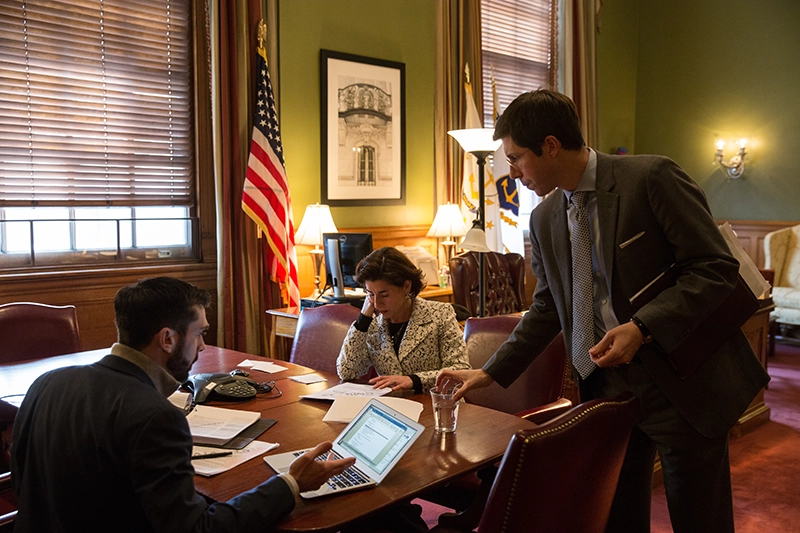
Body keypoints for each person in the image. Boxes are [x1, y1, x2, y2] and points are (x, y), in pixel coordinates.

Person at [436, 90, 770, 533]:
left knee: (699, 518)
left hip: (681, 383)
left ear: (551, 146)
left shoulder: (651, 178)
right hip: (605, 386)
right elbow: (548, 307)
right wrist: (489, 373)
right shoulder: (545, 217)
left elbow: (715, 268)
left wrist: (643, 327)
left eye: (517, 159)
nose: (511, 173)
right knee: (614, 515)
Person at [11, 276, 355, 533]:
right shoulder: (154, 416)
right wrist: (291, 484)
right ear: (168, 339)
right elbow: (197, 530)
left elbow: (21, 482)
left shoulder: (47, 382)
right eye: (200, 333)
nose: (203, 347)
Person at [337, 246, 470, 394]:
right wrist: (362, 321)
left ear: (406, 286)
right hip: (391, 409)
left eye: (384, 294)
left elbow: (460, 371)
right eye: (371, 294)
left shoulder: (440, 315)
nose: (377, 303)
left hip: (436, 408)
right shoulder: (371, 323)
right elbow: (346, 371)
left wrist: (413, 380)